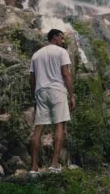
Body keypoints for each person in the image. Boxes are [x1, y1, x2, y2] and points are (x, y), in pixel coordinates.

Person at [28, 29, 76, 175]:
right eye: (61, 38)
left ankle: (33, 168)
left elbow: (31, 78)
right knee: (59, 126)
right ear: (54, 37)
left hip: (41, 92)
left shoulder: (36, 55)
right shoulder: (61, 52)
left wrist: (35, 93)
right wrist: (72, 95)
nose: (63, 41)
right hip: (57, 91)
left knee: (38, 129)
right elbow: (66, 73)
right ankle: (54, 164)